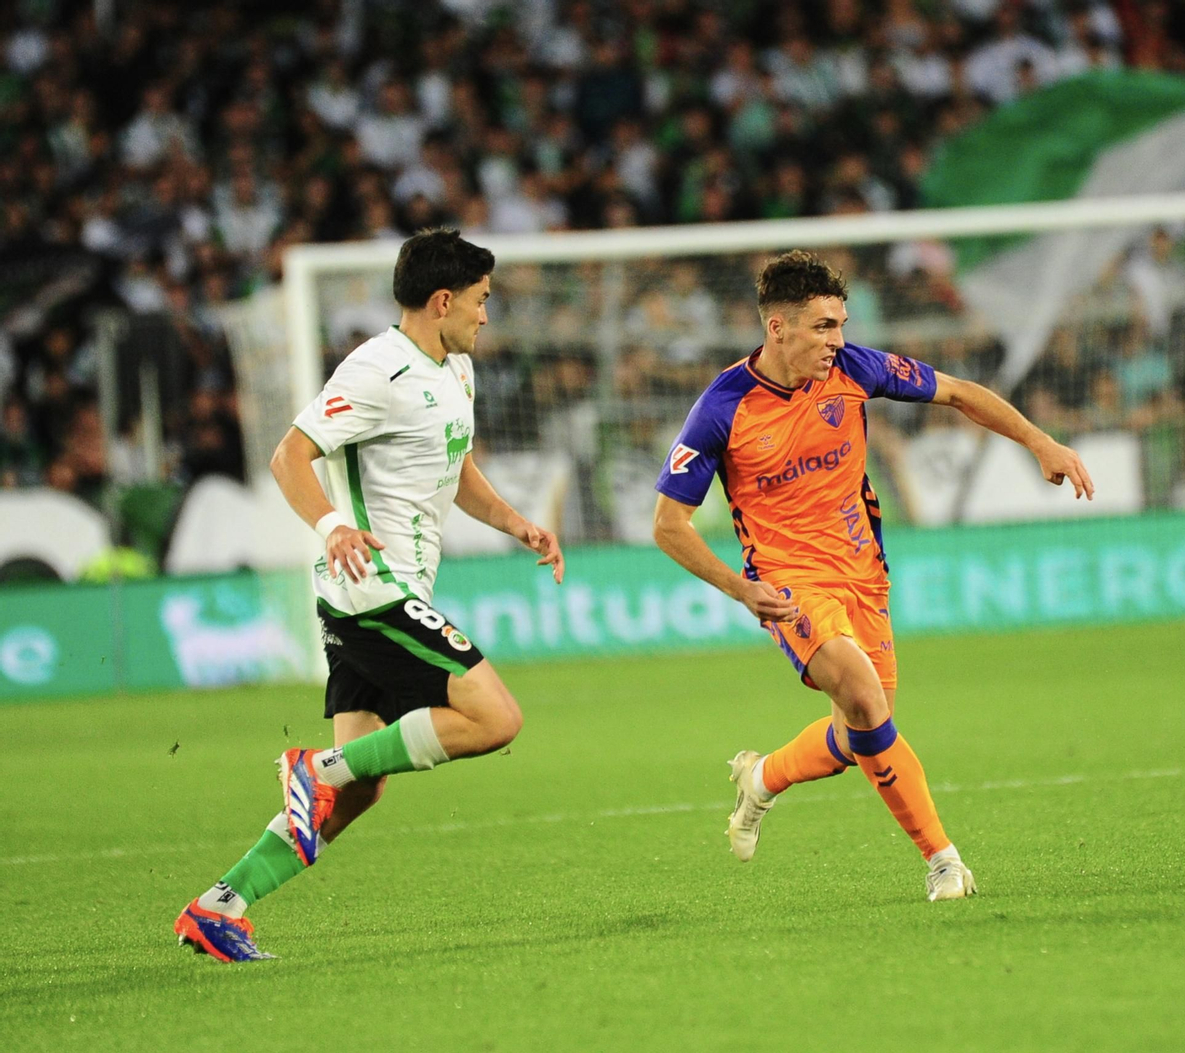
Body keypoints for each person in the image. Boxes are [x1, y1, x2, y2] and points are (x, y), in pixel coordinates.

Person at [651, 251, 1093, 901]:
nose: (837, 341)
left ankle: (764, 776)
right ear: (778, 328)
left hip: (864, 573)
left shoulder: (855, 369)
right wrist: (740, 587)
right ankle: (943, 860)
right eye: (824, 326)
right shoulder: (723, 407)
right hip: (789, 581)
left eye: (841, 324)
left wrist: (1040, 441)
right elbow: (668, 524)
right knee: (862, 695)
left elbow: (961, 393)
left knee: (862, 729)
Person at [173, 229, 564, 961]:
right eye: (481, 302)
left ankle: (219, 904)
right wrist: (331, 525)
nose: (487, 316)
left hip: (386, 591)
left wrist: (517, 524)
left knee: (360, 787)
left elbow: (457, 464)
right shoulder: (377, 368)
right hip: (371, 592)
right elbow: (289, 454)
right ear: (443, 300)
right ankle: (311, 767)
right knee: (496, 717)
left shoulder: (453, 369)